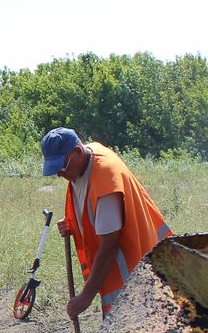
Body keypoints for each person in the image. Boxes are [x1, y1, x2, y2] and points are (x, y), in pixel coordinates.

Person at [40, 128, 172, 318]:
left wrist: (85, 297)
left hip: (135, 278)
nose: (59, 174)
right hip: (125, 279)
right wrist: (71, 224)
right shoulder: (83, 162)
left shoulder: (106, 182)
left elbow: (108, 246)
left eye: (61, 167)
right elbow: (90, 212)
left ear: (77, 152)